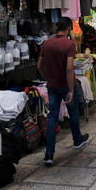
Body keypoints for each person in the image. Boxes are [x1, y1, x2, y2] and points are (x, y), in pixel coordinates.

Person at [37, 17, 89, 167]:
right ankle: (77, 140)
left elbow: (39, 65)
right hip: (65, 85)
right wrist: (71, 88)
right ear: (69, 29)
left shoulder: (46, 43)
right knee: (73, 113)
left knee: (52, 118)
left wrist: (48, 78)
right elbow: (68, 68)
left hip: (52, 86)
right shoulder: (69, 44)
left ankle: (49, 155)